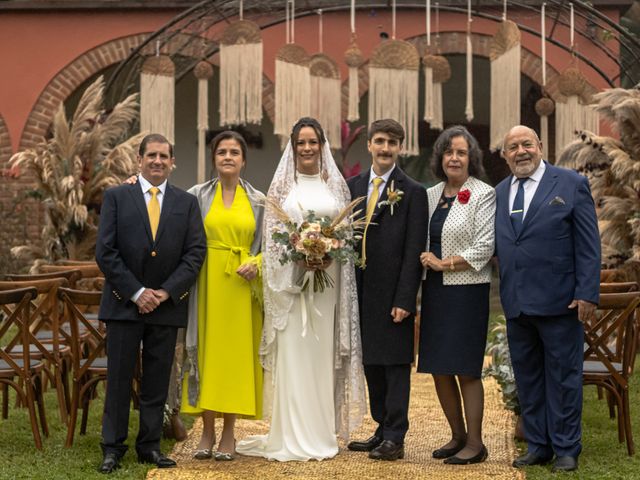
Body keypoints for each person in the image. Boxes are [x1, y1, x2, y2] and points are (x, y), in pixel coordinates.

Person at [236, 117, 366, 461]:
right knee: (295, 355)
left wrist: (327, 254)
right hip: (292, 290)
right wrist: (300, 258)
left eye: (313, 142)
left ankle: (321, 433)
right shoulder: (282, 190)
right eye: (301, 143)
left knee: (320, 357)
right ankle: (290, 434)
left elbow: (347, 235)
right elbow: (273, 241)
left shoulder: (336, 189)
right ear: (292, 148)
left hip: (326, 286)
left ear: (323, 147)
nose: (307, 148)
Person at [95, 133, 206, 473]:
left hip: (165, 306)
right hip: (124, 304)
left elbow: (195, 252)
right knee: (118, 379)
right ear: (139, 159)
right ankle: (112, 448)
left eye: (164, 156)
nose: (158, 161)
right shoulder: (116, 197)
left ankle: (150, 446)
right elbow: (106, 251)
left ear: (172, 162)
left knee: (158, 380)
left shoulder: (186, 203)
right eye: (152, 155)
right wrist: (137, 292)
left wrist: (166, 291)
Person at [495, 125, 600, 473]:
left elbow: (588, 245)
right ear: (505, 155)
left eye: (527, 144)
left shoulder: (570, 184)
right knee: (528, 378)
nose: (521, 151)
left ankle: (567, 448)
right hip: (517, 302)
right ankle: (538, 445)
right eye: (513, 147)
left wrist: (587, 292)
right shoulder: (499, 192)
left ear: (540, 146)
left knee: (564, 377)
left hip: (561, 302)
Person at [180, 131, 266, 461]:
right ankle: (206, 429)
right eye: (221, 152)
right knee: (206, 352)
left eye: (234, 152)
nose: (227, 156)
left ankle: (229, 431)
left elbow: (269, 245)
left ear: (243, 160)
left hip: (242, 290)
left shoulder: (258, 199)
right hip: (206, 284)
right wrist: (135, 182)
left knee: (234, 358)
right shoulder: (196, 196)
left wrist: (256, 263)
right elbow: (171, 212)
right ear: (214, 158)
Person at [346, 119, 428, 461]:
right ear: (369, 145)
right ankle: (381, 426)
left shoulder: (412, 192)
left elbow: (414, 250)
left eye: (392, 142)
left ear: (400, 148)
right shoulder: (351, 187)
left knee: (394, 364)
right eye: (379, 141)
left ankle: (396, 435)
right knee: (370, 363)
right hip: (358, 291)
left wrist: (405, 298)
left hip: (393, 292)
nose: (384, 148)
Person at [418, 125, 495, 465]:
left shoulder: (483, 194)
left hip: (467, 293)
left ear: (471, 158)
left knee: (466, 369)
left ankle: (476, 443)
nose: (454, 157)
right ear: (441, 157)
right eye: (448, 151)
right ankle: (457, 436)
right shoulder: (431, 194)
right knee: (439, 367)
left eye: (461, 152)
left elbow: (484, 247)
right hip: (435, 291)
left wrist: (442, 263)